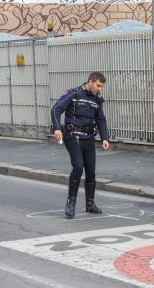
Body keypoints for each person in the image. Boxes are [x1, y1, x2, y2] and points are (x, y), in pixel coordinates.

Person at [51, 72, 110, 219]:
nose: (99, 89)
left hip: (88, 137)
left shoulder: (97, 99)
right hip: (73, 136)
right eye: (97, 85)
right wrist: (57, 128)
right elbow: (56, 109)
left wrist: (105, 138)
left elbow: (101, 120)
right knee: (78, 166)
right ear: (90, 81)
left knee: (91, 172)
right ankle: (70, 204)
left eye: (101, 87)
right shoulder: (74, 94)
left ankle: (90, 205)